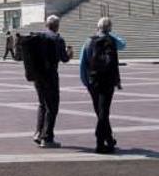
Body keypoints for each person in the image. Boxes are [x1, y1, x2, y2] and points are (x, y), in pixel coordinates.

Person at [18, 14, 70, 148]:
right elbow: (64, 58)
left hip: (37, 75)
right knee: (52, 106)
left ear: (46, 25)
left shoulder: (38, 37)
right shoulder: (57, 39)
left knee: (42, 104)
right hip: (50, 75)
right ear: (57, 26)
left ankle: (38, 133)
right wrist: (69, 53)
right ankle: (47, 138)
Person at [80, 17, 126, 154]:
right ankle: (100, 143)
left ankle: (109, 140)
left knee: (101, 112)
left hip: (93, 81)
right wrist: (109, 33)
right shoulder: (111, 41)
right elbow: (123, 44)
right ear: (110, 28)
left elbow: (83, 63)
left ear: (97, 27)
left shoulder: (89, 41)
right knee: (104, 112)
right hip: (108, 81)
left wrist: (85, 81)